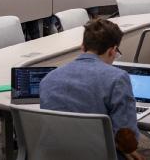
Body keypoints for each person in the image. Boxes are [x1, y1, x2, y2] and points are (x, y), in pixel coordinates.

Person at [40, 18, 142, 160]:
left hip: (53, 154)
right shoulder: (117, 78)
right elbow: (128, 142)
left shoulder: (48, 79)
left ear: (82, 47)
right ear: (112, 51)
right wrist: (126, 147)